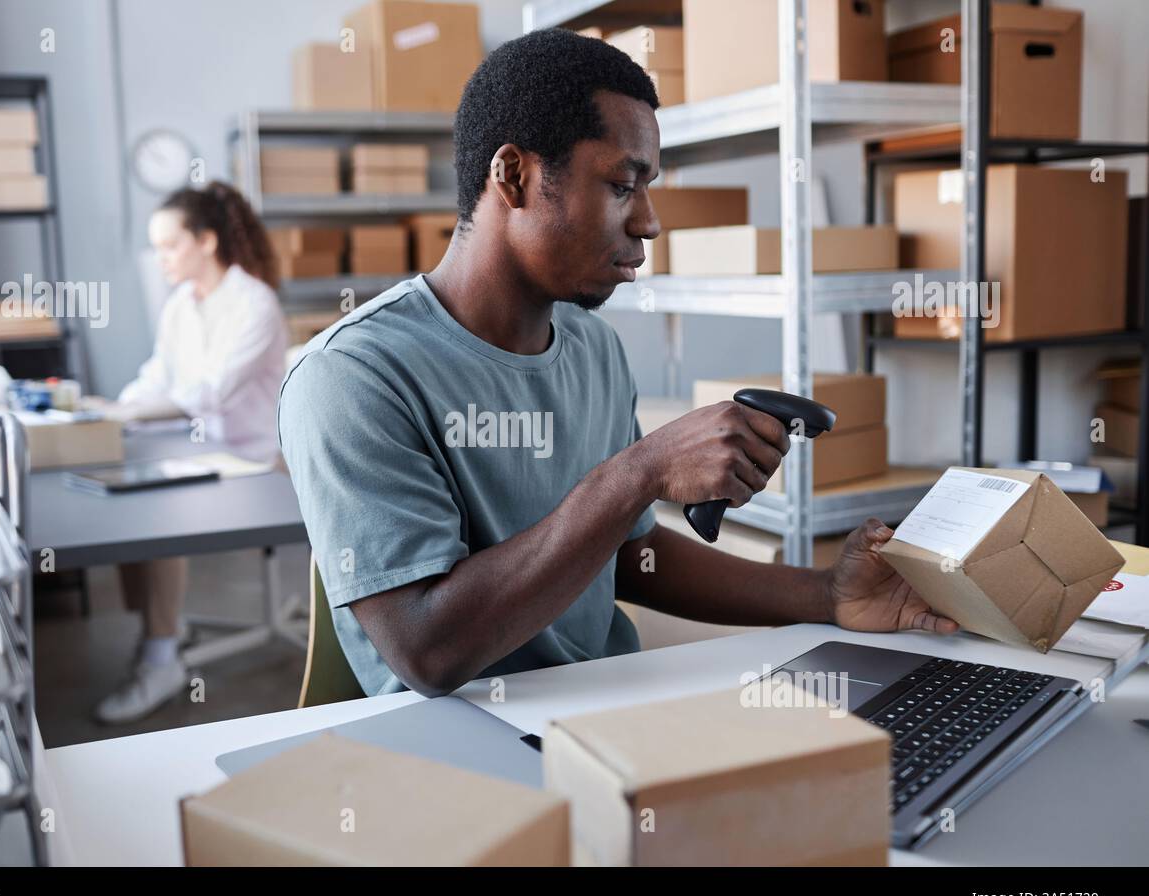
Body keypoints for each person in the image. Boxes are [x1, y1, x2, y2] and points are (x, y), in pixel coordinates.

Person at [278, 30, 957, 699]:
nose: (650, 222)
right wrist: (641, 471)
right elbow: (428, 651)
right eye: (622, 185)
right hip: (462, 752)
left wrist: (825, 595)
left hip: (610, 706)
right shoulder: (353, 377)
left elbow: (628, 556)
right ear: (514, 176)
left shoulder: (592, 346)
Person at [92, 180, 289, 724]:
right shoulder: (182, 304)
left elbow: (209, 390)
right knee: (128, 488)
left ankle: (161, 661)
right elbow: (159, 375)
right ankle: (163, 627)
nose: (161, 261)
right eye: (155, 249)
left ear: (206, 241)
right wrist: (110, 408)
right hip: (204, 453)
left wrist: (131, 414)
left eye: (170, 246)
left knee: (157, 506)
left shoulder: (255, 302)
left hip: (255, 464)